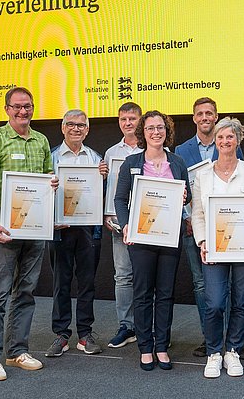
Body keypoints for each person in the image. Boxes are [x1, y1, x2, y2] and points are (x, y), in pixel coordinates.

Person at [0, 87, 58, 382]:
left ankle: (17, 350)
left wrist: (52, 187)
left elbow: (48, 178)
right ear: (7, 109)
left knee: (25, 292)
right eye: (18, 107)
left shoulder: (41, 141)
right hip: (5, 228)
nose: (23, 111)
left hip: (34, 228)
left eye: (28, 106)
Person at [190, 117, 244, 378]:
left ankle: (233, 350)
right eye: (220, 137)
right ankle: (213, 352)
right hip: (214, 247)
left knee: (241, 302)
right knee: (213, 303)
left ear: (238, 140)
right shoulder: (202, 175)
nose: (225, 141)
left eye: (230, 137)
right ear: (215, 140)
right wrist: (202, 241)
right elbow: (198, 213)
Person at [114, 110, 191, 371]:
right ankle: (145, 347)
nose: (156, 132)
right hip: (141, 237)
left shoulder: (177, 162)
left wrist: (183, 198)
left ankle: (162, 346)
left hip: (170, 237)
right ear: (142, 133)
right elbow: (119, 199)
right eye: (150, 128)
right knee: (143, 292)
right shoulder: (131, 163)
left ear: (166, 131)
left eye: (160, 128)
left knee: (166, 293)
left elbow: (187, 195)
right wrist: (125, 225)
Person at [174, 97, 244, 358]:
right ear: (194, 118)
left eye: (210, 113)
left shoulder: (230, 143)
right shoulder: (181, 151)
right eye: (200, 114)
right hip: (196, 229)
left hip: (232, 232)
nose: (205, 117)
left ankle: (233, 343)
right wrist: (189, 219)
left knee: (231, 289)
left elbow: (243, 193)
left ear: (216, 117)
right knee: (202, 286)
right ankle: (211, 339)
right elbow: (179, 189)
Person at [44, 110, 109, 358]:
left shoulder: (97, 159)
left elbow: (102, 194)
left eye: (81, 125)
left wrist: (103, 178)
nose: (76, 129)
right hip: (60, 229)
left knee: (87, 283)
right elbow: (43, 194)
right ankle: (61, 334)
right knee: (61, 282)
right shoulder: (49, 158)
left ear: (87, 129)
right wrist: (51, 219)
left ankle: (85, 334)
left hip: (87, 229)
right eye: (71, 124)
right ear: (62, 128)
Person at [103, 102, 143, 349]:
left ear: (140, 120)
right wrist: (107, 214)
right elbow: (110, 191)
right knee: (123, 276)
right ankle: (126, 326)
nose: (128, 123)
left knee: (148, 277)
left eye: (132, 119)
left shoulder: (154, 147)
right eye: (123, 119)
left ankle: (148, 326)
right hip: (119, 222)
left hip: (147, 223)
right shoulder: (110, 153)